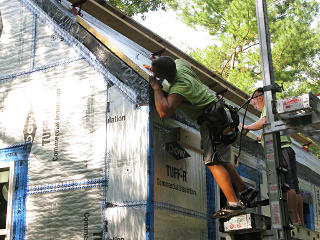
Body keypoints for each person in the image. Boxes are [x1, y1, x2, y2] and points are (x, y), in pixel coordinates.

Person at [144, 56, 258, 218]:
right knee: (222, 158)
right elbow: (174, 65)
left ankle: (233, 204)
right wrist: (157, 70)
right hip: (220, 114)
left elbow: (164, 111)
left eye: (156, 73)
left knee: (212, 162)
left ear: (162, 76)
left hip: (210, 120)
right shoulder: (180, 65)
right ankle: (245, 191)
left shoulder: (180, 87)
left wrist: (156, 87)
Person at [241, 88, 304, 226]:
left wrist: (246, 127)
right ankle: (299, 220)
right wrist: (261, 137)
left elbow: (263, 122)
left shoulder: (268, 108)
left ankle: (292, 220)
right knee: (295, 187)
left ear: (260, 98)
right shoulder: (273, 109)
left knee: (288, 186)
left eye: (254, 104)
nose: (254, 107)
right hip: (287, 148)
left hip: (280, 149)